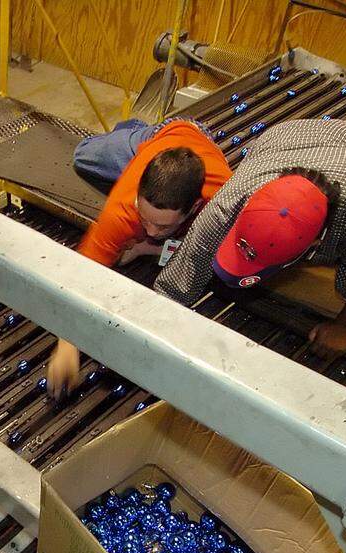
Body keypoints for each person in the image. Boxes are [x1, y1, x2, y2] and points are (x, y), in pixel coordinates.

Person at [47, 118, 346, 397]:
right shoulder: (231, 199)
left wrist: (344, 326)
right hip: (283, 138)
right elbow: (181, 277)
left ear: (313, 246)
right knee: (85, 157)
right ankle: (139, 133)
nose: (152, 230)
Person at [47, 118, 232, 395]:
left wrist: (145, 247)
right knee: (82, 156)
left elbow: (210, 257)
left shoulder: (221, 203)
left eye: (163, 226)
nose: (151, 230)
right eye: (145, 219)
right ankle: (134, 130)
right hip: (161, 136)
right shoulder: (123, 211)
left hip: (198, 137)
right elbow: (82, 275)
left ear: (194, 207)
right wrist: (67, 344)